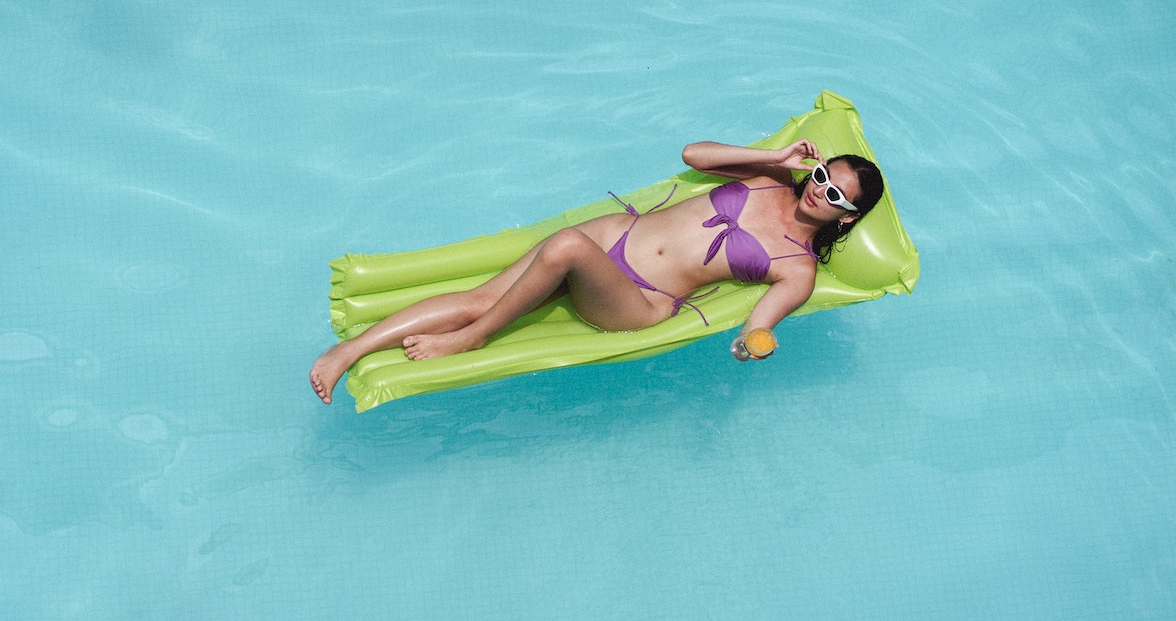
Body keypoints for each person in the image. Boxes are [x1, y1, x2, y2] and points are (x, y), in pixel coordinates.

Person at [310, 139, 884, 404]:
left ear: (847, 216)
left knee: (562, 247)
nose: (819, 191)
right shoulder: (768, 179)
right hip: (619, 234)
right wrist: (775, 157)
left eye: (835, 195)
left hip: (637, 298)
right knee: (480, 293)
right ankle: (348, 351)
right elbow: (693, 156)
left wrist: (753, 347)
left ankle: (475, 338)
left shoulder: (797, 268)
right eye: (821, 176)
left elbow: (755, 329)